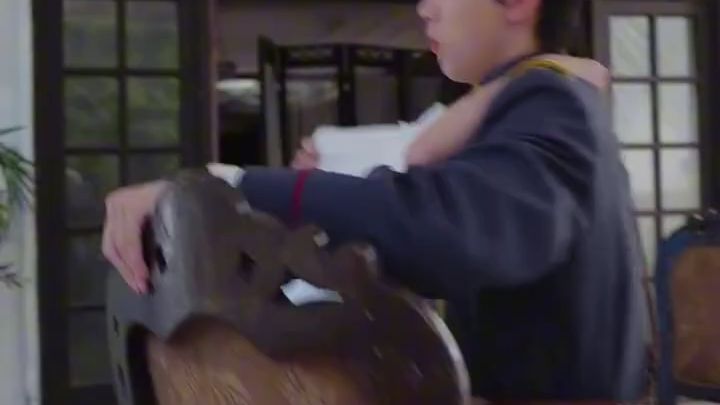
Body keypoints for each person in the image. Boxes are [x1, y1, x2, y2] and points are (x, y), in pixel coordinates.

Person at [102, 0, 649, 402]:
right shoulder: (524, 100)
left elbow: (449, 228)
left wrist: (236, 187)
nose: (424, 10)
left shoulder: (550, 101)